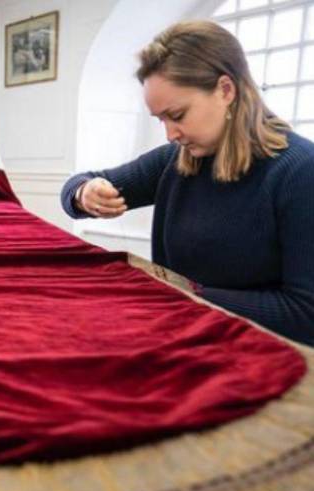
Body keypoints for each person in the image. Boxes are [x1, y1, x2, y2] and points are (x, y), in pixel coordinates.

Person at [61, 20, 314, 346]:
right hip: (185, 337)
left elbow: (305, 314)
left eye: (177, 115)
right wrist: (84, 193)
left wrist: (178, 295)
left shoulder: (301, 171)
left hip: (265, 355)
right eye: (161, 120)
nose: (170, 134)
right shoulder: (175, 160)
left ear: (226, 90)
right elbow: (76, 187)